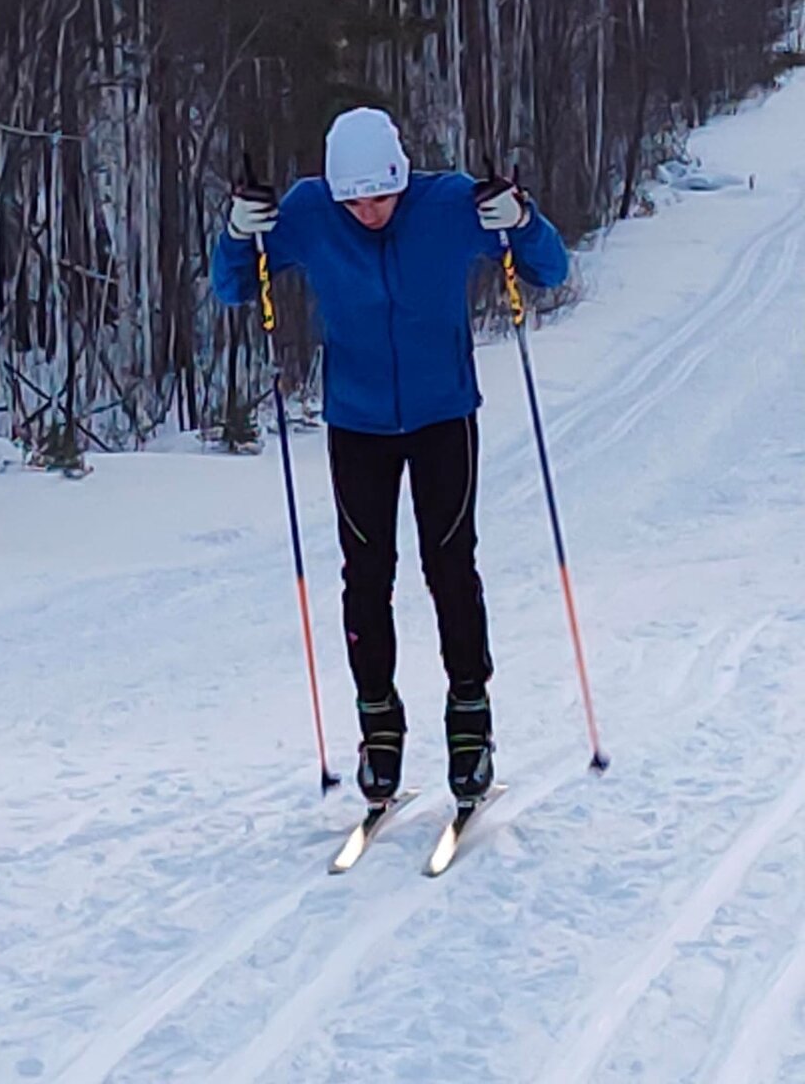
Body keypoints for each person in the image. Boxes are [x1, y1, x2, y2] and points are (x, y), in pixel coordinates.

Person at [211, 107, 569, 807]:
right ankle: (379, 728)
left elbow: (548, 268)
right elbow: (234, 286)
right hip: (357, 423)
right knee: (367, 576)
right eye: (355, 200)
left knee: (450, 565)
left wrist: (520, 218)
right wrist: (235, 235)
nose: (368, 212)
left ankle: (470, 723)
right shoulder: (312, 212)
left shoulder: (446, 204)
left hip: (443, 417)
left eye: (379, 197)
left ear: (402, 179)